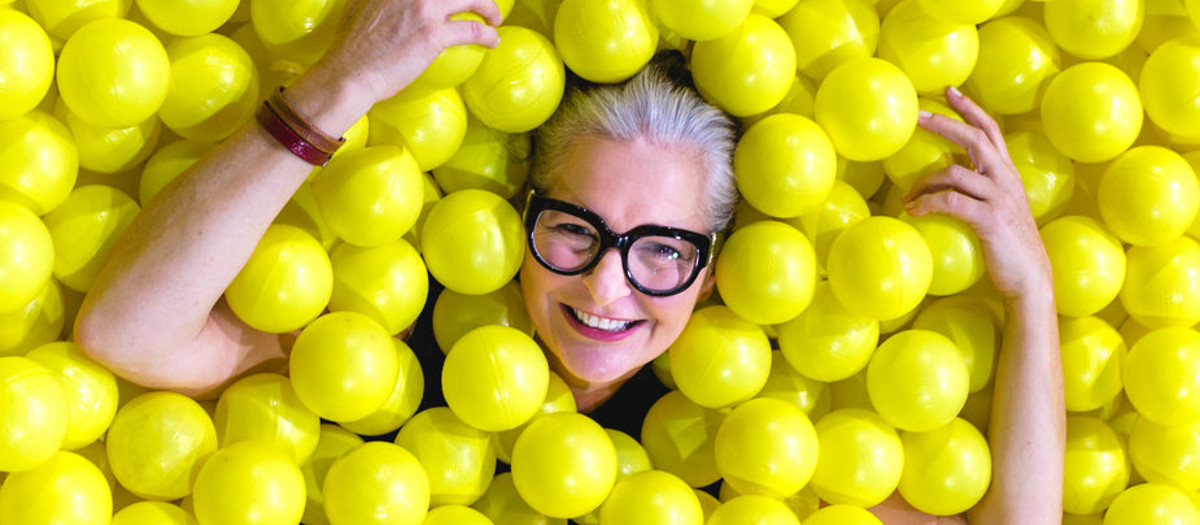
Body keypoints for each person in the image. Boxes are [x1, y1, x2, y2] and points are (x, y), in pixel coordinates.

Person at [74, 0, 1064, 523]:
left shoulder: (743, 447)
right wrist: (337, 88)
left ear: (713, 269)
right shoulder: (393, 352)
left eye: (662, 249)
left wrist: (1031, 292)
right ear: (522, 217)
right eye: (575, 230)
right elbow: (127, 332)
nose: (605, 285)